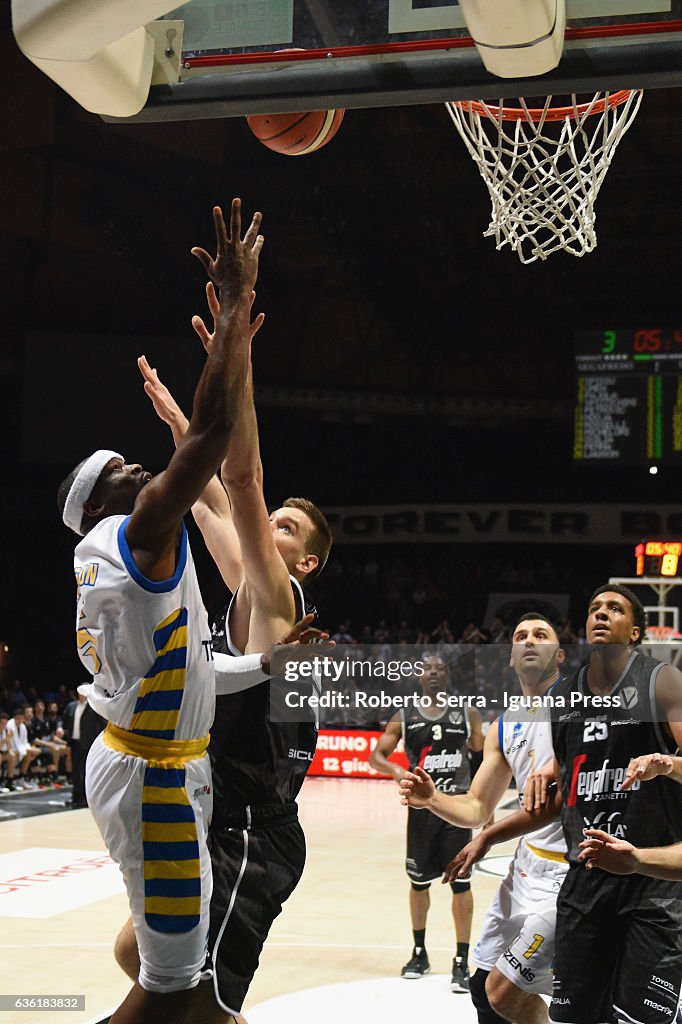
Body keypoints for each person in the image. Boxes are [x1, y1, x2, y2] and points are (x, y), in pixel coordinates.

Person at [56, 199, 264, 1024]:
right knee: (170, 1001)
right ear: (102, 502)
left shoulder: (136, 554)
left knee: (185, 989)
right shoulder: (136, 533)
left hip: (156, 763)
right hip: (155, 778)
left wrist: (267, 666)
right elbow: (209, 437)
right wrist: (235, 310)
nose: (136, 464)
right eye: (119, 467)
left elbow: (189, 665)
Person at [121, 276, 333, 1023]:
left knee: (191, 1003)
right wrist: (182, 416)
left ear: (306, 563)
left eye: (286, 531)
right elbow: (213, 495)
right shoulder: (247, 589)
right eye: (270, 523)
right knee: (135, 955)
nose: (266, 529)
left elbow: (241, 479)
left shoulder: (279, 603)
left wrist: (234, 361)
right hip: (212, 812)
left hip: (253, 833)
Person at [399, 615, 566, 1024]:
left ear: (559, 655)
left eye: (540, 635)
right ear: (510, 657)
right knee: (483, 989)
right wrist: (432, 798)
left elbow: (556, 801)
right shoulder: (505, 725)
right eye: (520, 636)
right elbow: (476, 806)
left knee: (511, 991)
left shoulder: (577, 708)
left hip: (570, 872)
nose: (529, 640)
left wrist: (487, 837)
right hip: (525, 867)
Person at [542, 584, 682, 1024]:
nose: (601, 614)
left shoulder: (661, 680)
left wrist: (669, 767)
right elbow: (569, 786)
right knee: (572, 1018)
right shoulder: (561, 698)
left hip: (652, 883)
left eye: (614, 609)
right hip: (586, 882)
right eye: (594, 608)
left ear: (635, 631)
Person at [369, 653, 483, 992]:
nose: (433, 673)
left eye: (439, 669)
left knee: (461, 884)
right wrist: (397, 771)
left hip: (456, 808)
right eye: (427, 669)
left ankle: (461, 960)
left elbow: (479, 754)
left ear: (447, 675)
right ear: (419, 677)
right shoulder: (404, 715)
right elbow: (377, 756)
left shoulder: (467, 712)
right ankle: (419, 953)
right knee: (418, 882)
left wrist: (482, 798)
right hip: (421, 812)